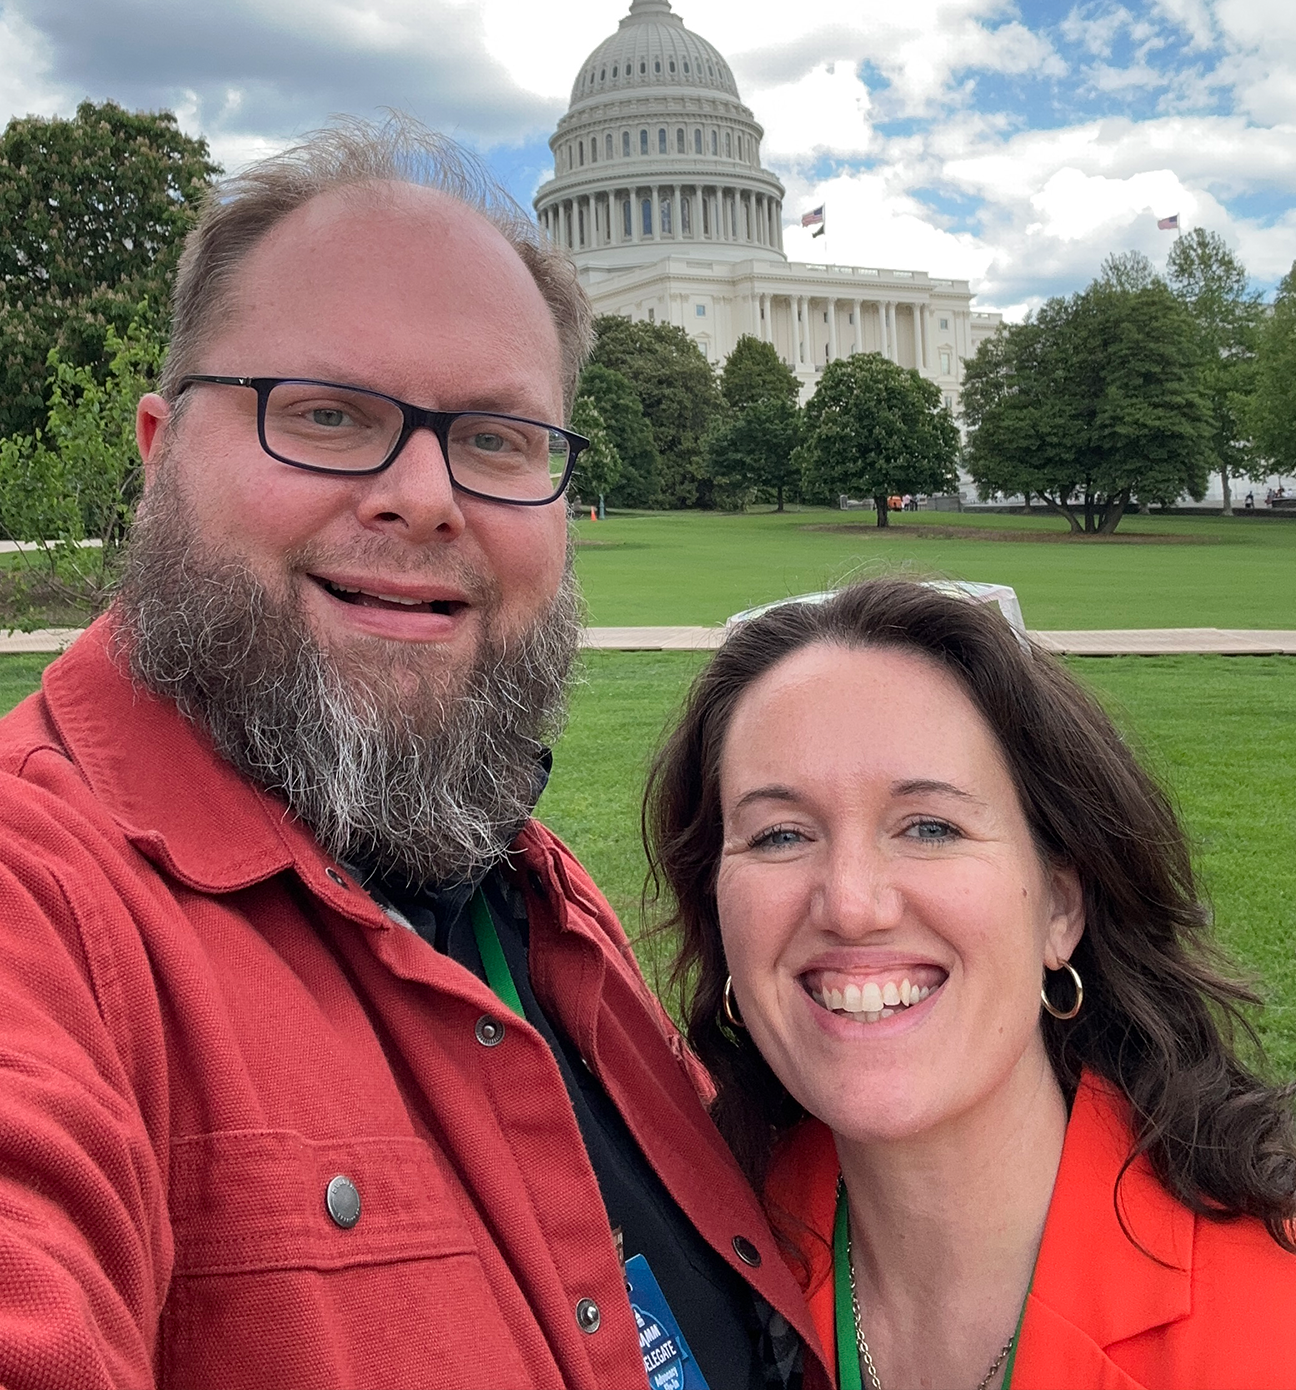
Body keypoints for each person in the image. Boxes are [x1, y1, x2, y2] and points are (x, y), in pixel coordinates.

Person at [0, 118, 825, 1390]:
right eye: (325, 413)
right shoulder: (44, 908)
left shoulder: (518, 879)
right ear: (160, 456)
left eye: (498, 438)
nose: (427, 496)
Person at [645, 579, 1296, 1390]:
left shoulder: (1272, 1314)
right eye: (780, 835)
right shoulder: (687, 1279)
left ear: (1061, 905)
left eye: (930, 826)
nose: (851, 904)